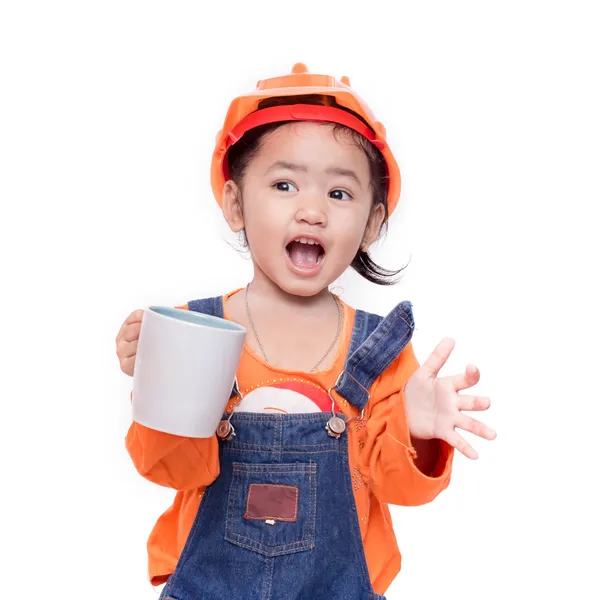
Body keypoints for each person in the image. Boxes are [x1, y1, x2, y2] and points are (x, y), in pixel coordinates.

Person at [115, 63, 496, 600]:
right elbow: (166, 469)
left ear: (371, 225)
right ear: (234, 203)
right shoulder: (194, 331)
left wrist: (416, 431)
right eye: (284, 184)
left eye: (339, 194)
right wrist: (161, 384)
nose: (312, 210)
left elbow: (398, 487)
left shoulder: (380, 351)